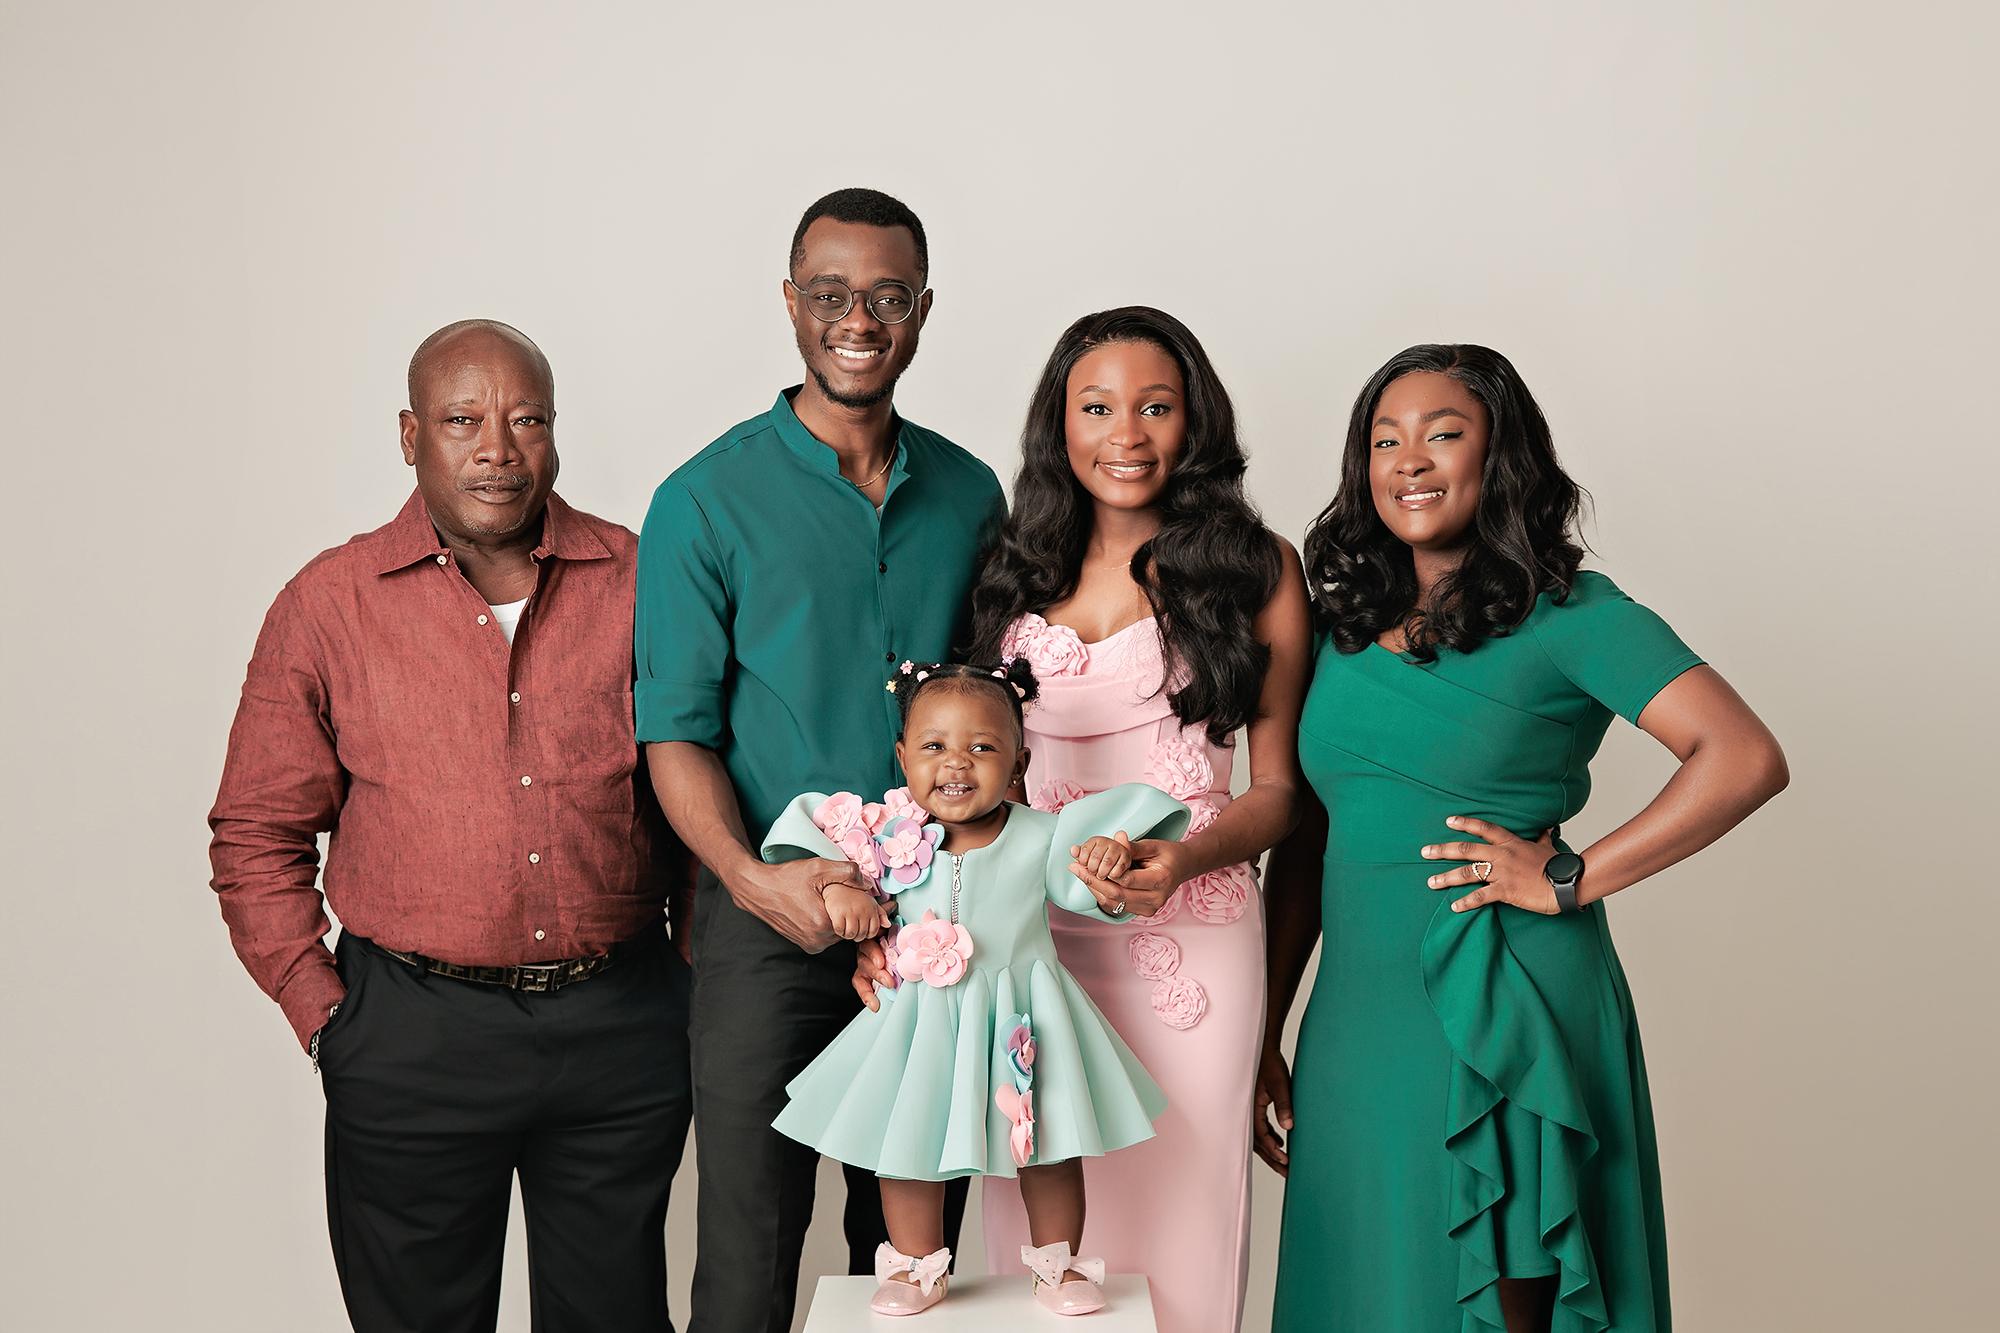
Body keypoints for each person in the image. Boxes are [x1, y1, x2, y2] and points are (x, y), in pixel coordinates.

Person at [1258, 344, 1789, 1332]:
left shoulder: (1573, 612)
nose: (1409, 461)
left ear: (1500, 455)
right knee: (1367, 1284)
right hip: (1356, 1018)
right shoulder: (1340, 624)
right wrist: (1264, 1026)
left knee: (1501, 1293)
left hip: (1505, 993)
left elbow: (1742, 755)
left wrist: (1570, 876)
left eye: (1442, 434)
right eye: (1385, 440)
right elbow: (1306, 839)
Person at [208, 319, 692, 1332]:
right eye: (463, 420)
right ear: (410, 434)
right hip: (410, 1034)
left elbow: (702, 786)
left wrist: (689, 976)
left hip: (620, 1030)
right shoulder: (329, 603)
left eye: (527, 420)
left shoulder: (643, 578)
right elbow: (256, 831)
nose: (497, 450)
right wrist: (326, 1015)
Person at [635, 188, 1005, 1332]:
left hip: (933, 923)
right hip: (770, 920)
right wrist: (750, 881)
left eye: (887, 297)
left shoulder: (971, 494)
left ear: (923, 311)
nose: (858, 321)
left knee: (916, 1269)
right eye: (831, 295)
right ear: (790, 303)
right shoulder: (703, 498)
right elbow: (674, 733)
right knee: (748, 1257)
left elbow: (996, 713)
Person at [947, 306, 1311, 1333]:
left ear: (1194, 422)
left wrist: (1182, 856)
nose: (1127, 434)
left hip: (1191, 943)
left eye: (1155, 407)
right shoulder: (1009, 569)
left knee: (1183, 1222)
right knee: (1041, 1256)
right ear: (1057, 425)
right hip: (1029, 947)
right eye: (1097, 407)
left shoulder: (1256, 569)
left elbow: (1279, 792)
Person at [772, 660, 1189, 1316]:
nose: (956, 763)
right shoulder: (884, 837)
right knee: (908, 1145)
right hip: (918, 1021)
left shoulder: (1044, 837)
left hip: (1024, 1019)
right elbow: (804, 840)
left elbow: (1106, 875)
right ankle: (916, 1267)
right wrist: (836, 886)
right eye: (934, 745)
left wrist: (1108, 856)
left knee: (1048, 1147)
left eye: (983, 747)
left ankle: (1059, 1266)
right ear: (902, 757)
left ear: (1020, 762)